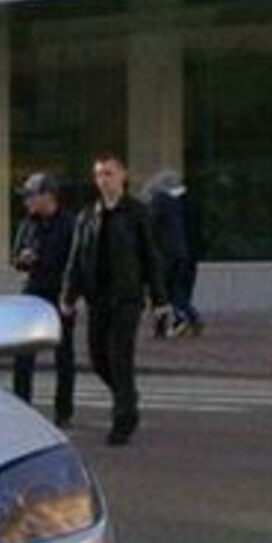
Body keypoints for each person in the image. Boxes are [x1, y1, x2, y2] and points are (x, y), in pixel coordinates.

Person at [62, 155, 171, 447]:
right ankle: (127, 396)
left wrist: (160, 300)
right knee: (98, 358)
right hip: (97, 299)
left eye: (109, 173)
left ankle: (123, 419)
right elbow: (75, 260)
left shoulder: (137, 213)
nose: (103, 180)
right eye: (99, 174)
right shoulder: (87, 216)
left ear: (123, 176)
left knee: (120, 356)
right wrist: (68, 297)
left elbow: (151, 258)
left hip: (127, 298)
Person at [11, 173, 77, 427]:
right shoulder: (28, 224)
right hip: (33, 292)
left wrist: (72, 296)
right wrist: (22, 259)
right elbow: (16, 258)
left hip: (60, 293)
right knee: (24, 353)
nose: (27, 202)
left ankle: (64, 412)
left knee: (64, 355)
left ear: (47, 197)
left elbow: (76, 262)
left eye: (30, 196)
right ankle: (22, 406)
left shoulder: (70, 224)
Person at [145, 170, 203, 338]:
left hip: (166, 255)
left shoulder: (159, 202)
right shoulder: (178, 204)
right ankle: (186, 317)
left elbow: (151, 227)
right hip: (182, 253)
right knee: (176, 290)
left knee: (164, 292)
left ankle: (180, 319)